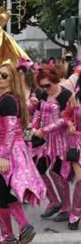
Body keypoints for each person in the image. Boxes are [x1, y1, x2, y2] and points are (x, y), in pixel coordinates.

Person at [0, 64, 46, 244]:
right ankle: (11, 233)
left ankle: (18, 229)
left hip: (7, 151)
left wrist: (4, 156)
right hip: (11, 149)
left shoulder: (8, 100)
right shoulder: (13, 99)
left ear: (12, 78)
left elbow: (12, 130)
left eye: (4, 75)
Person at [32, 67, 73, 222]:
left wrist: (44, 129)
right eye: (42, 86)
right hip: (44, 141)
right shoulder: (43, 94)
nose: (45, 89)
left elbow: (65, 119)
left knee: (57, 172)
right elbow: (38, 112)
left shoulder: (66, 95)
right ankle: (54, 201)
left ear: (56, 80)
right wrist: (32, 128)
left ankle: (67, 208)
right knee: (38, 170)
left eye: (48, 85)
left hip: (60, 141)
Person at [63, 77, 81, 230]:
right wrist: (70, 124)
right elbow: (66, 115)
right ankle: (75, 214)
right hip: (77, 144)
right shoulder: (75, 97)